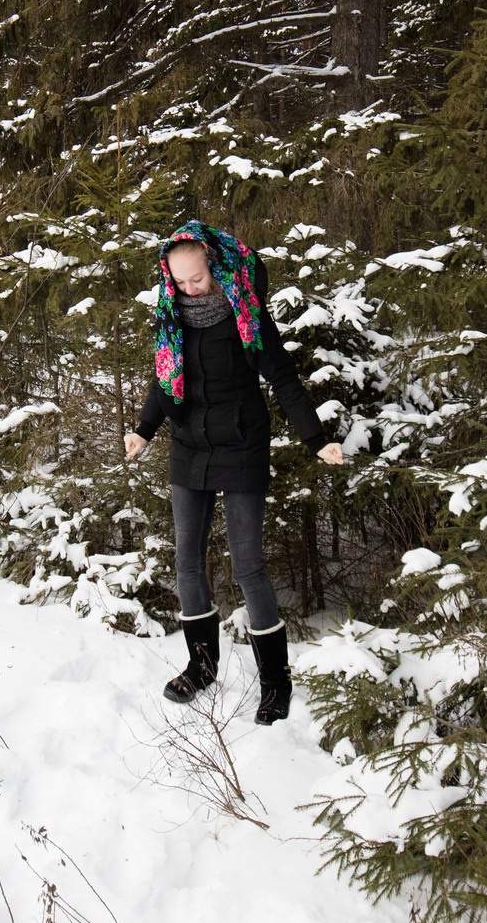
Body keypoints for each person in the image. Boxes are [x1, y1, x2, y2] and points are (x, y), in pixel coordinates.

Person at [123, 220, 345, 724]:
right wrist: (144, 428)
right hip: (188, 446)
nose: (187, 289)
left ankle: (275, 683)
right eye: (178, 282)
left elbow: (284, 380)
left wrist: (316, 439)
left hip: (242, 443)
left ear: (215, 266)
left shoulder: (246, 313)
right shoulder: (172, 318)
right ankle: (202, 666)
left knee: (247, 565)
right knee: (187, 561)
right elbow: (164, 377)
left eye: (195, 279)